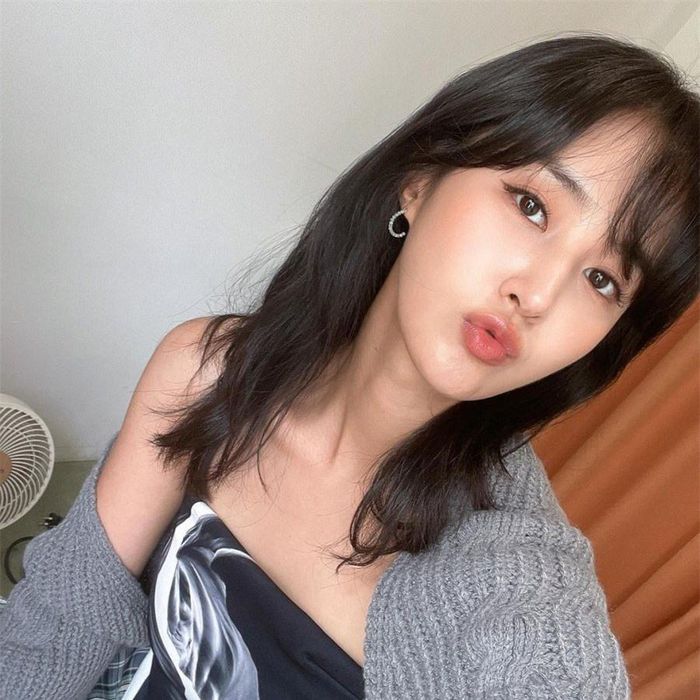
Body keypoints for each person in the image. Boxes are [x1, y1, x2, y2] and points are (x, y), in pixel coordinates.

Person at [1, 32, 698, 700]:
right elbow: (58, 628)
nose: (537, 295)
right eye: (532, 205)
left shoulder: (509, 579)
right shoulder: (206, 371)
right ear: (420, 181)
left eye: (603, 280)